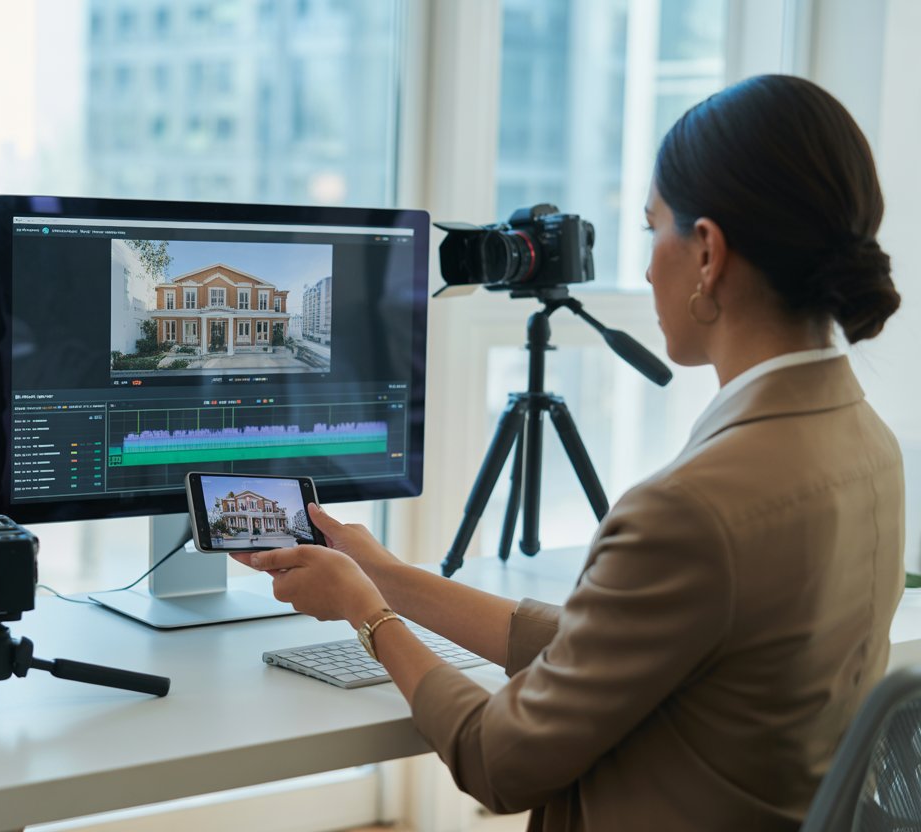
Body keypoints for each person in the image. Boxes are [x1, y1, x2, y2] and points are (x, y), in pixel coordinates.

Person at [234, 74, 905, 830]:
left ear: (709, 252)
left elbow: (498, 760)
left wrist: (367, 615)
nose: (649, 267)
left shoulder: (692, 509)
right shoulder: (869, 445)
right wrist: (388, 576)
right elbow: (614, 647)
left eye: (654, 231)